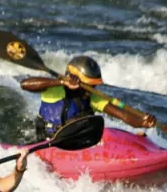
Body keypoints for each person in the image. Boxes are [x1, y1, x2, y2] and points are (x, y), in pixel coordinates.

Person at [20, 55, 156, 141]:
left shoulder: (93, 97)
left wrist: (142, 122)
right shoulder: (54, 89)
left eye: (94, 86)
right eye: (88, 86)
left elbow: (123, 115)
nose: (91, 90)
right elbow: (25, 84)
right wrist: (61, 82)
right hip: (50, 141)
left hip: (79, 142)